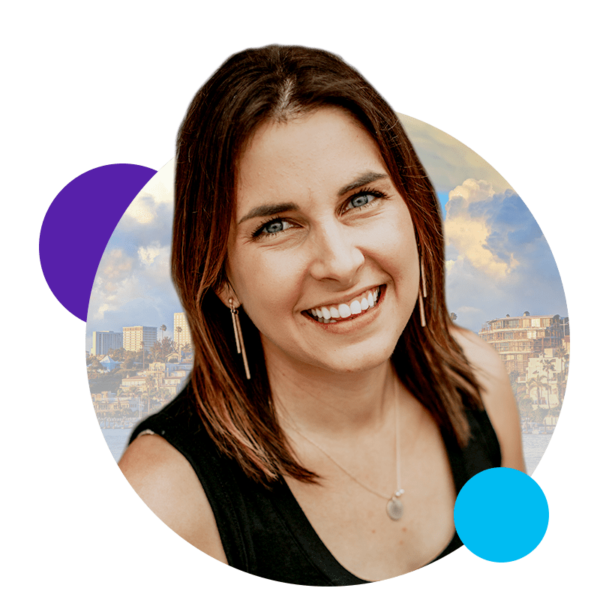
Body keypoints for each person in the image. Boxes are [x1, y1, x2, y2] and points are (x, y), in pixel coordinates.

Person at [118, 43, 526, 586]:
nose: (338, 262)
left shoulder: (480, 379)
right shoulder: (165, 495)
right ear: (220, 279)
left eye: (360, 199)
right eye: (275, 226)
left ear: (415, 212)